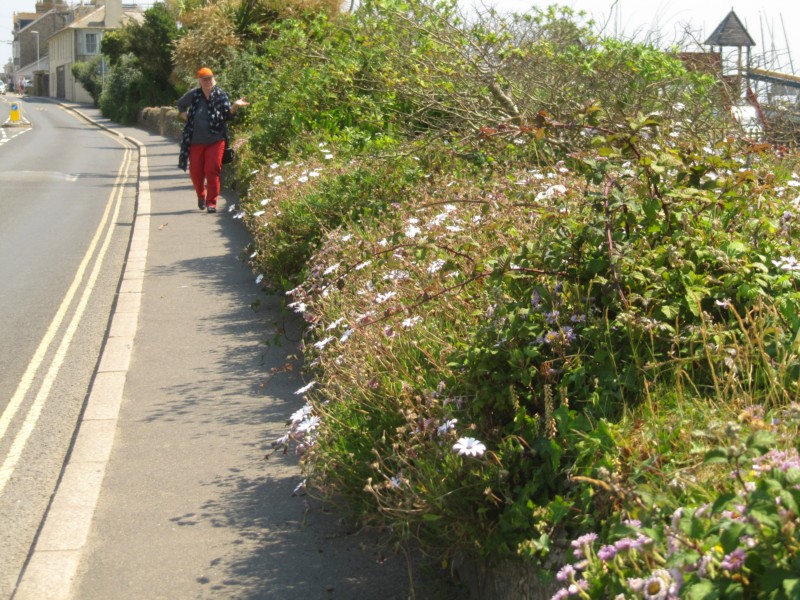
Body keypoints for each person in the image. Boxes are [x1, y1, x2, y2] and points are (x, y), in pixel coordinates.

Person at [177, 67, 249, 213]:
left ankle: (212, 203)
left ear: (213, 79)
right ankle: (201, 195)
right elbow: (180, 105)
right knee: (196, 172)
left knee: (212, 170)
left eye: (210, 78)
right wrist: (186, 117)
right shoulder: (194, 95)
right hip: (196, 140)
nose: (208, 81)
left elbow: (228, 115)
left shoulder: (220, 94)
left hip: (216, 139)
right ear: (200, 81)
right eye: (205, 79)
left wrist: (235, 106)